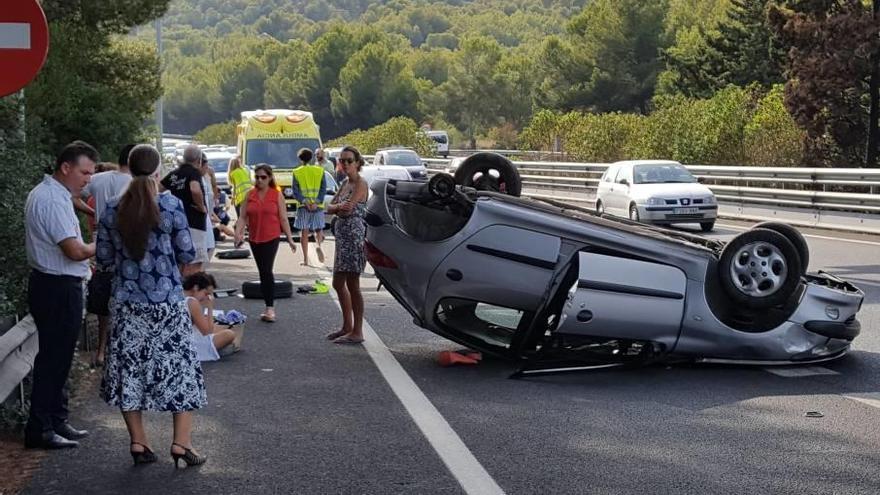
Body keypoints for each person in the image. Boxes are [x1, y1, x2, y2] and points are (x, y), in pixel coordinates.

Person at [97, 144, 207, 467]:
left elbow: (103, 259)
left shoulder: (112, 209)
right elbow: (187, 255)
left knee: (130, 370)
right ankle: (181, 444)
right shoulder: (171, 206)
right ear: (158, 172)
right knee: (180, 369)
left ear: (129, 170)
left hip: (127, 305)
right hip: (166, 304)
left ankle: (138, 442)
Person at [23, 141, 98, 450]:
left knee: (60, 356)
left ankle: (56, 419)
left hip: (54, 284)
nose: (88, 179)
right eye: (84, 172)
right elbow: (74, 250)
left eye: (91, 173)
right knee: (54, 358)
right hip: (57, 286)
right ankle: (41, 428)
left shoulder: (55, 195)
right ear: (65, 167)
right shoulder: (52, 201)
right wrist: (101, 245)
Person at [75, 145, 136, 370]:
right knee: (126, 298)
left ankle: (101, 351)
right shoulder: (135, 184)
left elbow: (72, 196)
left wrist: (93, 213)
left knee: (103, 303)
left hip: (100, 246)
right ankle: (124, 351)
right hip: (126, 247)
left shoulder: (97, 179)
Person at [234, 164, 297, 322]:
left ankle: (270, 309)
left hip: (271, 236)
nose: (260, 180)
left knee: (266, 270)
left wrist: (290, 238)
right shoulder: (250, 195)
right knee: (262, 271)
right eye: (257, 177)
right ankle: (267, 306)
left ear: (269, 178)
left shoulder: (276, 195)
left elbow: (283, 218)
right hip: (255, 238)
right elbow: (243, 217)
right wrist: (238, 233)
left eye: (263, 177)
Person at [325, 146, 369, 344]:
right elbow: (330, 207)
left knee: (353, 284)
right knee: (337, 283)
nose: (345, 164)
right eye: (342, 160)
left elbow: (348, 209)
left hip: (353, 238)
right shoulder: (344, 183)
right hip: (342, 240)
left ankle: (357, 330)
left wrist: (338, 209)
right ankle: (347, 325)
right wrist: (337, 208)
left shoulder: (360, 183)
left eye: (349, 160)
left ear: (357, 163)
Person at [160, 145, 208, 275]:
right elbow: (195, 189)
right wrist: (201, 206)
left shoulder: (175, 174)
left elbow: (157, 189)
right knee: (194, 261)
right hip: (194, 221)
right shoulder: (194, 173)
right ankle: (191, 290)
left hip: (177, 220)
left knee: (180, 259)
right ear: (198, 160)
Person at [183, 272, 235, 361]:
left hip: (180, 337)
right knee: (229, 334)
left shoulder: (179, 294)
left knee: (219, 328)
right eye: (206, 293)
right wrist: (209, 307)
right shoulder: (191, 302)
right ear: (196, 288)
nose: (207, 297)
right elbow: (207, 331)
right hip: (189, 343)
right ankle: (212, 350)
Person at [291, 148, 327, 266]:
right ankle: (318, 245)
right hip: (318, 206)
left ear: (300, 159)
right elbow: (323, 189)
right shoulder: (320, 170)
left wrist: (305, 201)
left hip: (303, 206)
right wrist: (316, 201)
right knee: (319, 229)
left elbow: (295, 191)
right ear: (312, 158)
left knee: (304, 232)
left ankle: (306, 259)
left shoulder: (296, 172)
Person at [199, 153, 218, 268]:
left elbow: (214, 184)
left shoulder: (208, 171)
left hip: (209, 198)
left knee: (210, 245)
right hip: (204, 207)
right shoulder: (194, 177)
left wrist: (215, 198)